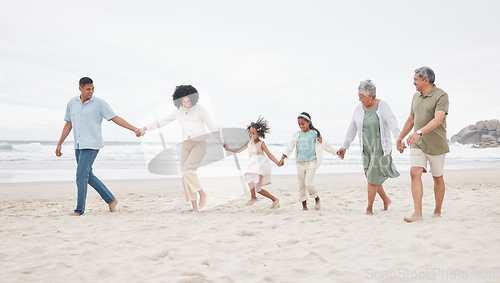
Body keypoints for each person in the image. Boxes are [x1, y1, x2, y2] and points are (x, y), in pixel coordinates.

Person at [56, 77, 140, 216]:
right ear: (80, 88)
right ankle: (111, 200)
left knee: (80, 176)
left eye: (93, 88)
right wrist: (60, 143)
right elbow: (68, 124)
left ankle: (79, 210)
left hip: (92, 145)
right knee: (87, 176)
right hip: (78, 145)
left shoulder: (99, 103)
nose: (91, 91)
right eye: (88, 89)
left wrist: (134, 129)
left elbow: (115, 118)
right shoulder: (72, 103)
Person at [138, 85, 225, 213]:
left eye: (189, 101)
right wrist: (145, 127)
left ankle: (202, 193)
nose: (186, 103)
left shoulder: (200, 109)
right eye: (183, 101)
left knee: (187, 172)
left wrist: (222, 140)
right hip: (186, 145)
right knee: (185, 177)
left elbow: (212, 125)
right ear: (179, 100)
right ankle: (194, 207)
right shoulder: (178, 111)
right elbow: (163, 121)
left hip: (199, 144)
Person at [337, 79, 401, 215]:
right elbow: (352, 128)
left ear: (370, 96)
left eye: (361, 96)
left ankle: (369, 208)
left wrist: (399, 139)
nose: (359, 99)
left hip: (380, 148)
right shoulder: (358, 109)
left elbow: (392, 123)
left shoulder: (383, 106)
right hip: (366, 149)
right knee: (371, 177)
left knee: (372, 178)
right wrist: (344, 146)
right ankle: (386, 200)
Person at [397, 66, 449, 222]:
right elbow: (411, 119)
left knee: (437, 178)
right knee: (414, 173)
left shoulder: (441, 96)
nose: (413, 82)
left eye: (415, 79)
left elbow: (438, 119)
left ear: (426, 80)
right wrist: (400, 137)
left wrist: (418, 132)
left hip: (436, 144)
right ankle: (417, 213)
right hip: (418, 143)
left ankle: (437, 211)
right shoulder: (416, 97)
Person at [278, 112, 337, 210]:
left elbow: (326, 145)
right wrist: (283, 158)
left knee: (308, 183)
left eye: (303, 124)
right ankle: (304, 206)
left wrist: (337, 152)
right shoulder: (297, 134)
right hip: (300, 164)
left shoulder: (315, 134)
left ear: (309, 122)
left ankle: (316, 198)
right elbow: (290, 146)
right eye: (299, 124)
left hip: (311, 163)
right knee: (301, 186)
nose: (301, 126)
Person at [224, 117, 281, 209]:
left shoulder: (261, 143)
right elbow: (239, 150)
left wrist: (277, 163)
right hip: (254, 164)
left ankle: (253, 197)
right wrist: (228, 148)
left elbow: (269, 154)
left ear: (259, 133)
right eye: (250, 133)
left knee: (248, 175)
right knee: (258, 189)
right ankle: (275, 199)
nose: (252, 135)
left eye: (253, 133)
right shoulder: (248, 142)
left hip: (261, 164)